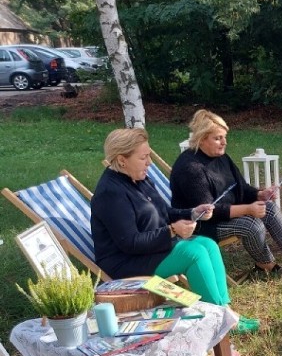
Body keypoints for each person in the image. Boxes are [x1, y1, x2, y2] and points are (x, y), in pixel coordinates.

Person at [90, 128, 258, 334]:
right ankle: (221, 321)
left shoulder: (138, 178)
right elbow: (130, 243)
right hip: (126, 263)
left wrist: (191, 212)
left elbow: (164, 212)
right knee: (193, 254)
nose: (149, 162)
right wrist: (171, 231)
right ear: (121, 160)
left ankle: (225, 313)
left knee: (207, 244)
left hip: (149, 249)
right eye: (143, 157)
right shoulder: (111, 193)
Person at [170, 109, 282, 280]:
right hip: (201, 226)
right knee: (250, 225)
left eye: (224, 137)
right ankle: (266, 266)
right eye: (217, 138)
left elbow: (241, 188)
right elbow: (209, 213)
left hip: (224, 217)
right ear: (201, 139)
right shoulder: (190, 168)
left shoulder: (221, 157)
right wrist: (248, 209)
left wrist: (260, 194)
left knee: (269, 207)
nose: (224, 142)